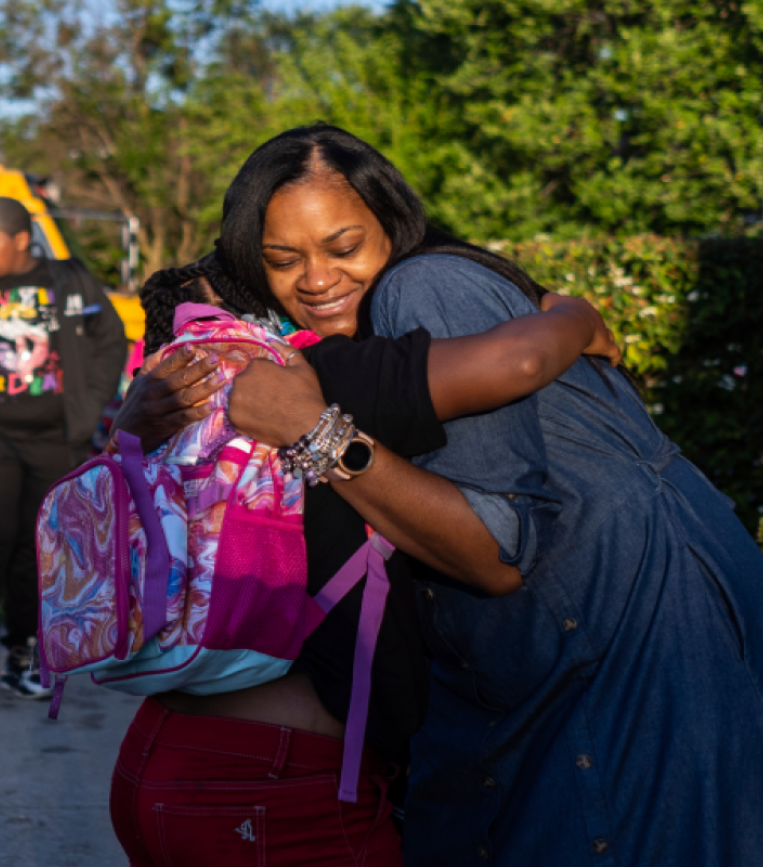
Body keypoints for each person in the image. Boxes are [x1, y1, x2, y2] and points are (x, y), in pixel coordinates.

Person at [141, 123, 763, 866]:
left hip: (633, 646)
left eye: (344, 247)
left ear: (394, 223)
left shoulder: (424, 286)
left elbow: (494, 549)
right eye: (284, 260)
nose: (316, 279)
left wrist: (316, 434)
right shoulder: (363, 338)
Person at [107, 257, 618, 866]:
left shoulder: (163, 396)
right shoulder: (316, 377)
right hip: (277, 784)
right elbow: (518, 361)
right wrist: (576, 315)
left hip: (154, 755)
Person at [0, 196, 126, 703]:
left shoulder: (68, 281)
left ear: (21, 239)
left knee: (35, 549)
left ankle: (22, 653)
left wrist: (87, 408)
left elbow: (110, 339)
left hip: (53, 440)